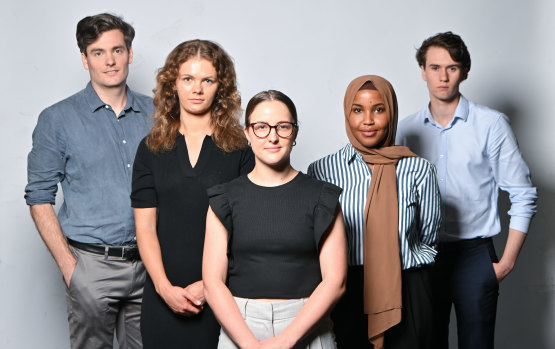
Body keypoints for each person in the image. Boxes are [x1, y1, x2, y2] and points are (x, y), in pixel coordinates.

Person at [396, 32, 538, 349]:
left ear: (465, 71)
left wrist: (506, 263)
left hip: (475, 255)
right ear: (422, 71)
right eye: (434, 67)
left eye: (452, 67)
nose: (443, 76)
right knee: (426, 343)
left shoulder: (491, 125)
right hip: (424, 255)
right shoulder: (406, 130)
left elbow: (523, 194)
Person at [25, 13, 153, 348]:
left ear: (130, 53)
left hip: (152, 265)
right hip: (92, 265)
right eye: (98, 52)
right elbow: (39, 197)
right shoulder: (57, 119)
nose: (110, 61)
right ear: (84, 59)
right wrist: (70, 267)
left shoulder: (158, 115)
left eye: (117, 50)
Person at [131, 39, 254, 348]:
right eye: (188, 79)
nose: (197, 89)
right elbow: (145, 228)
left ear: (220, 87)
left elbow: (246, 229)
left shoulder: (240, 149)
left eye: (207, 80)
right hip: (162, 295)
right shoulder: (150, 149)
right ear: (173, 83)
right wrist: (163, 287)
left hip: (221, 294)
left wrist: (210, 284)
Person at [203, 90, 347, 349]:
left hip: (307, 325)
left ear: (295, 132)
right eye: (261, 127)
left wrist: (285, 341)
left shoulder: (323, 197)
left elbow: (335, 281)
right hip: (240, 326)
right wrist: (249, 345)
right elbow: (212, 283)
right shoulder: (224, 198)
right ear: (247, 132)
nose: (272, 136)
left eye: (282, 126)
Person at [308, 75, 442, 349]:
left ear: (391, 113)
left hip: (406, 289)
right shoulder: (322, 171)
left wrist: (402, 261)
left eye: (378, 109)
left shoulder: (418, 170)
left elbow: (430, 236)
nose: (367, 120)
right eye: (358, 110)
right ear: (347, 113)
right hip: (347, 290)